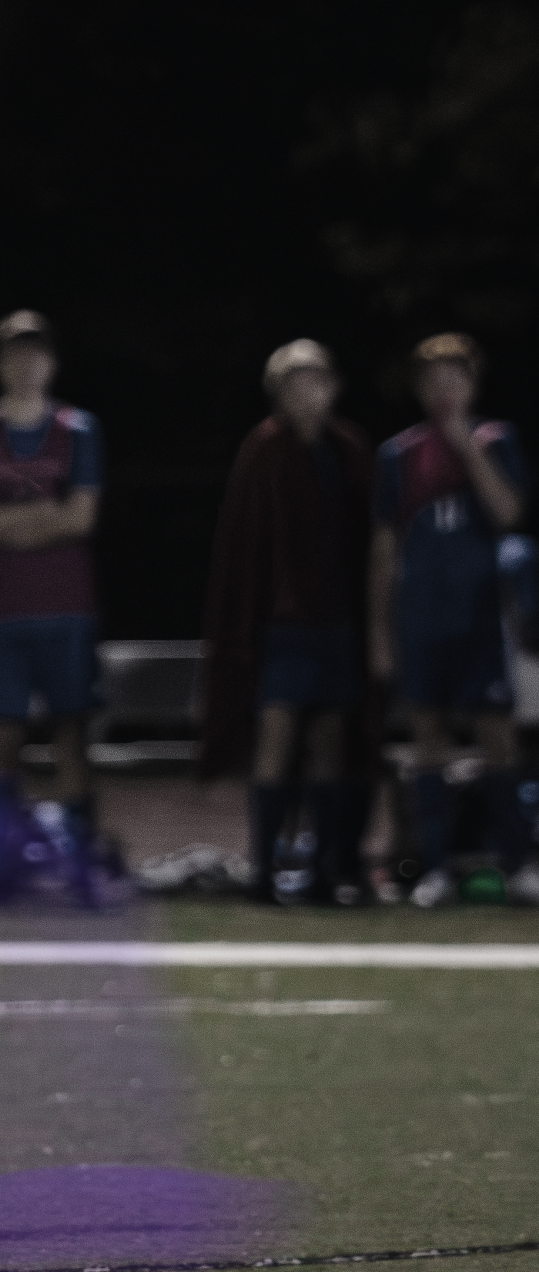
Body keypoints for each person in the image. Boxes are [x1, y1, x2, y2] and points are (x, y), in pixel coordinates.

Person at [199, 340, 375, 903]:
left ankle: (324, 866)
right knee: (275, 738)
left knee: (329, 741)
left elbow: (365, 537)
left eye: (316, 380)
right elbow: (244, 545)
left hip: (336, 623)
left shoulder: (347, 448)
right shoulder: (265, 449)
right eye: (294, 382)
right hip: (282, 626)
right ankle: (264, 867)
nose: (307, 392)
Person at [370, 332, 535, 908]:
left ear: (473, 384)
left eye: (455, 377)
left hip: (482, 619)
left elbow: (510, 513)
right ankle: (434, 867)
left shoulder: (496, 441)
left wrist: (466, 446)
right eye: (433, 379)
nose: (444, 388)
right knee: (429, 742)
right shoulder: (398, 455)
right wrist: (381, 632)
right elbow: (386, 549)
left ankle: (518, 863)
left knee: (498, 739)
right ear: (417, 388)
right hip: (422, 620)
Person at [0, 311, 102, 830]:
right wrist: (42, 517)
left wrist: (9, 521)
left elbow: (81, 518)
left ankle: (77, 851)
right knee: (3, 737)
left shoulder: (79, 430)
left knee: (71, 732)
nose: (26, 364)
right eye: (14, 354)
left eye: (36, 353)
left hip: (65, 608)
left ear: (52, 363)